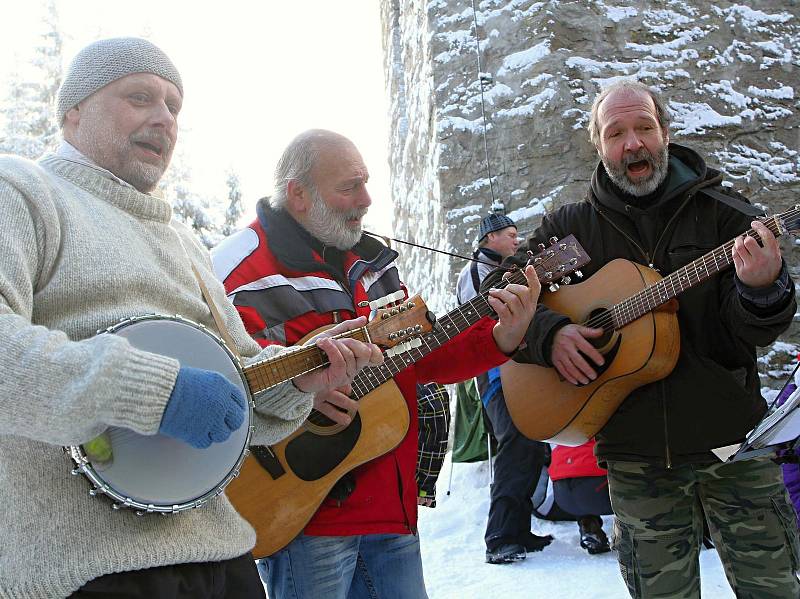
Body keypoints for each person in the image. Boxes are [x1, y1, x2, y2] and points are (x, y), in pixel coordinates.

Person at [0, 38, 383, 599]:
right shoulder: (24, 192)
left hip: (219, 552)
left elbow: (239, 389)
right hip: (81, 568)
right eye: (139, 98)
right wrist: (153, 391)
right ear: (73, 111)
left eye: (173, 107)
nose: (163, 119)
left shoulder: (182, 241)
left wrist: (298, 382)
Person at [484, 79, 800, 598]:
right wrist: (551, 335)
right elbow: (507, 288)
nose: (633, 143)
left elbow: (759, 328)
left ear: (665, 134)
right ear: (599, 146)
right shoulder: (574, 228)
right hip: (636, 461)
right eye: (616, 133)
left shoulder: (725, 215)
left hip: (731, 443)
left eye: (644, 128)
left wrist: (762, 288)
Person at [211, 128, 540, 598]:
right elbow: (215, 384)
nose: (366, 200)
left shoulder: (372, 263)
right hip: (301, 508)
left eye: (365, 183)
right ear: (297, 195)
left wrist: (502, 336)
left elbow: (416, 358)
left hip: (390, 504)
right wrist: (300, 394)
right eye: (349, 187)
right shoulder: (236, 271)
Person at [456, 212, 554, 564]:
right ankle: (499, 537)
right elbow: (478, 320)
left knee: (530, 445)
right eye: (509, 234)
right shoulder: (473, 274)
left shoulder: (502, 268)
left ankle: (518, 530)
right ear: (489, 238)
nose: (516, 240)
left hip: (518, 373)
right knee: (516, 442)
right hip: (496, 375)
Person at [532, 440, 613, 555]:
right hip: (594, 490)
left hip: (562, 495)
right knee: (634, 486)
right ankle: (634, 535)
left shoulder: (569, 425)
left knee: (583, 483)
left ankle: (589, 526)